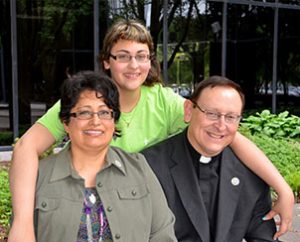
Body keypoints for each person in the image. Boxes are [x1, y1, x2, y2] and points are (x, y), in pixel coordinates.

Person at [8, 19, 293, 241]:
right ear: (107, 61)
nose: (134, 66)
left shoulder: (164, 102)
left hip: (144, 212)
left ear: (150, 60)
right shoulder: (86, 101)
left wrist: (283, 190)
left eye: (142, 56)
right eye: (123, 56)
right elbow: (25, 147)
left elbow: (226, 133)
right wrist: (22, 223)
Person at [34, 70, 177, 241]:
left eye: (104, 113)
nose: (95, 121)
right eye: (84, 113)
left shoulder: (138, 168)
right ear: (66, 122)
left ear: (113, 120)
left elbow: (163, 234)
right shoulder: (39, 175)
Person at [142, 76, 280, 242]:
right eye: (212, 114)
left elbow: (263, 238)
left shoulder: (250, 172)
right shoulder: (147, 166)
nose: (221, 126)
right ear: (188, 110)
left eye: (231, 117)